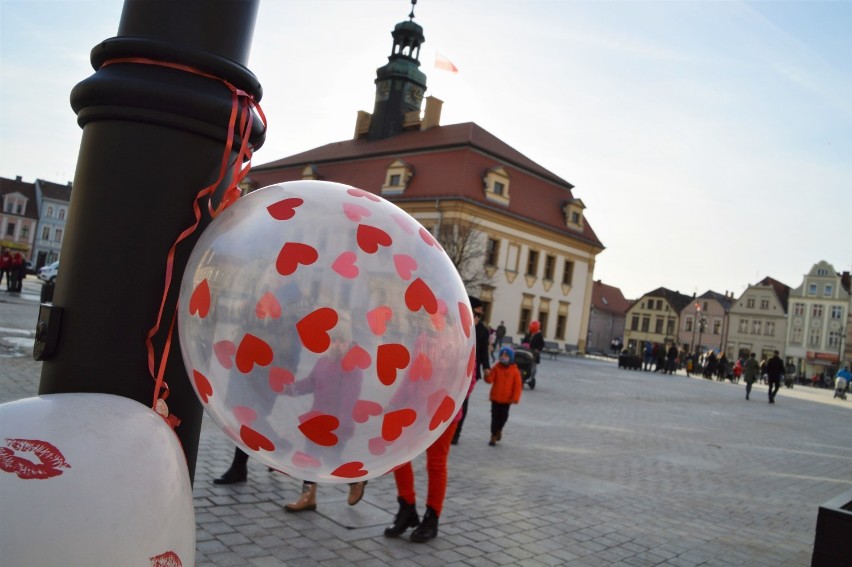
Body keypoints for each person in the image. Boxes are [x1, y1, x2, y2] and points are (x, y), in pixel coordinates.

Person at [384, 330, 479, 542]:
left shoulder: (461, 339)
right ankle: (406, 507)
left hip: (443, 414)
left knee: (436, 464)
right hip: (417, 410)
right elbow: (411, 376)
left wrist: (447, 402)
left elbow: (469, 379)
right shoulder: (422, 338)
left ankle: (432, 517)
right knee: (399, 456)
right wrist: (395, 403)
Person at [283, 323, 367, 512]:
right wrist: (289, 389)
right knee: (309, 457)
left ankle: (356, 480)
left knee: (331, 460)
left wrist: (344, 426)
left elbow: (349, 399)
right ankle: (308, 496)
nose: (337, 345)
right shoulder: (323, 362)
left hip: (337, 424)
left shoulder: (352, 368)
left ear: (348, 343)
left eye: (341, 341)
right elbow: (310, 383)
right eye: (334, 341)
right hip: (317, 419)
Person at [452, 296, 490, 445]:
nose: (479, 317)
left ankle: (456, 432)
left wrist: (486, 367)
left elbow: (483, 352)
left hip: (470, 371)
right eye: (477, 313)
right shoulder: (457, 324)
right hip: (454, 369)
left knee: (464, 401)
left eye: (481, 315)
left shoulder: (482, 331)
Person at [485, 347, 522, 446]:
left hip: (507, 400)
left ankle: (499, 430)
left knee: (503, 417)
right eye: (502, 355)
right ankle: (493, 436)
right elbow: (490, 380)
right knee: (494, 417)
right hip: (496, 398)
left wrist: (515, 398)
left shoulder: (515, 371)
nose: (503, 357)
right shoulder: (496, 368)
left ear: (511, 358)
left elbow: (517, 386)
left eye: (506, 356)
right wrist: (487, 374)